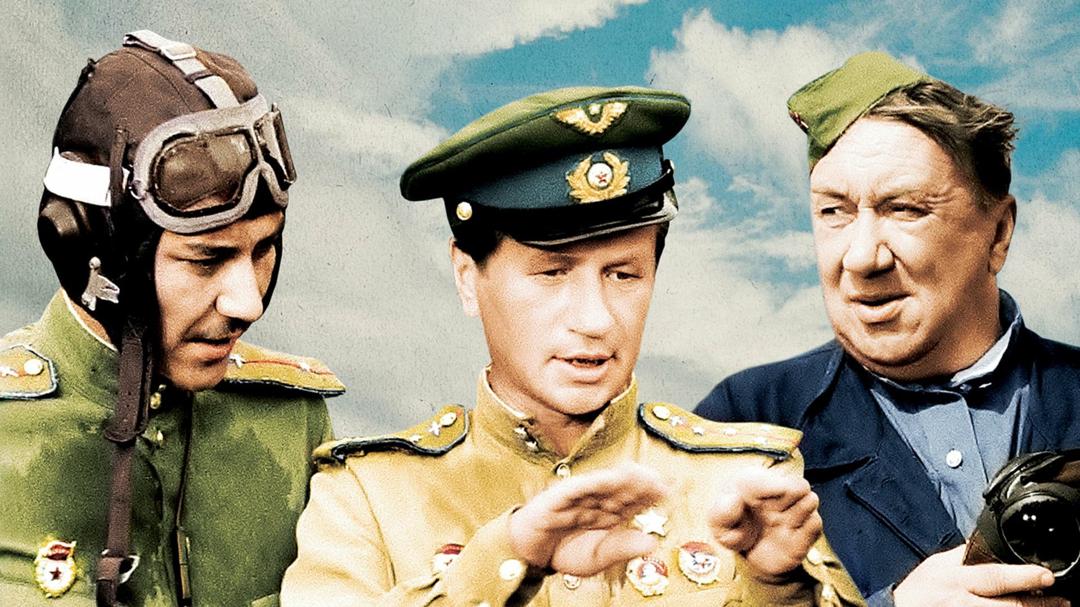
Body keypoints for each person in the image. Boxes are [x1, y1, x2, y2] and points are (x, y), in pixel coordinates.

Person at [280, 86, 863, 606]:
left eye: (624, 275)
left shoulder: (746, 481)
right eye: (552, 273)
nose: (595, 319)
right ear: (466, 276)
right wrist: (506, 555)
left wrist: (776, 588)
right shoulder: (367, 495)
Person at [695, 51, 1080, 607]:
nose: (861, 258)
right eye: (834, 212)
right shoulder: (741, 423)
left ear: (998, 234)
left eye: (904, 209)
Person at [0, 31, 343, 605]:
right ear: (93, 249)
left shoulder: (293, 424)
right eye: (207, 260)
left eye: (263, 249)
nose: (249, 304)